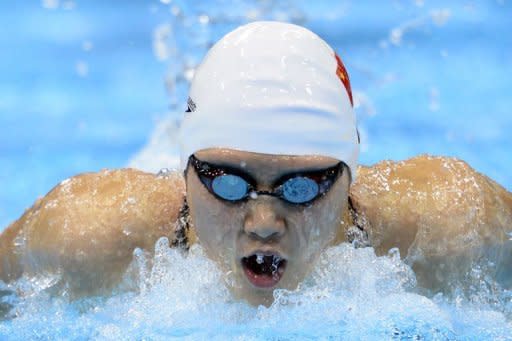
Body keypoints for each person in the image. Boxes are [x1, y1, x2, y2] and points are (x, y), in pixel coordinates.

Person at [0, 22, 511, 306]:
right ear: (187, 171)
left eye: (301, 188)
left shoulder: (454, 226)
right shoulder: (86, 235)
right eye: (226, 183)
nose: (263, 224)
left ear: (347, 174)